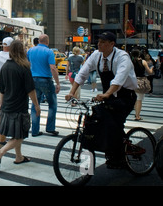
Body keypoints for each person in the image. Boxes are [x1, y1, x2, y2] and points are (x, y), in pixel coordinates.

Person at [65, 31, 138, 169]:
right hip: (108, 96)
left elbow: (119, 79)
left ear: (112, 44)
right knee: (97, 121)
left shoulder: (122, 56)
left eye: (103, 42)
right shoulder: (97, 55)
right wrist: (72, 92)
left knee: (114, 123)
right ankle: (111, 150)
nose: (99, 44)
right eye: (99, 41)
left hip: (124, 96)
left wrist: (107, 94)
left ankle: (118, 155)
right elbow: (83, 73)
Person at [0, 40, 41, 170]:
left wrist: (1, 104)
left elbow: (2, 89)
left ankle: (19, 157)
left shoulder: (5, 67)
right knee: (20, 136)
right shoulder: (24, 67)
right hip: (20, 106)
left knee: (16, 134)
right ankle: (0, 152)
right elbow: (30, 89)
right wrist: (36, 105)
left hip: (7, 105)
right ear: (22, 51)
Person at [27, 34, 60, 137]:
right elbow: (53, 68)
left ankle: (35, 130)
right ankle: (50, 128)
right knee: (52, 104)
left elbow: (27, 65)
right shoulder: (49, 51)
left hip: (33, 80)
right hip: (46, 80)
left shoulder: (30, 51)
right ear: (47, 41)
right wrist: (57, 83)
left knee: (35, 104)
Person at [130, 49, 153, 121]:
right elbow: (149, 72)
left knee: (134, 98)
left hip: (132, 81)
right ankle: (137, 116)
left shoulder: (130, 62)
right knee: (139, 99)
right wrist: (152, 68)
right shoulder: (143, 62)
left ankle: (136, 113)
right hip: (141, 81)